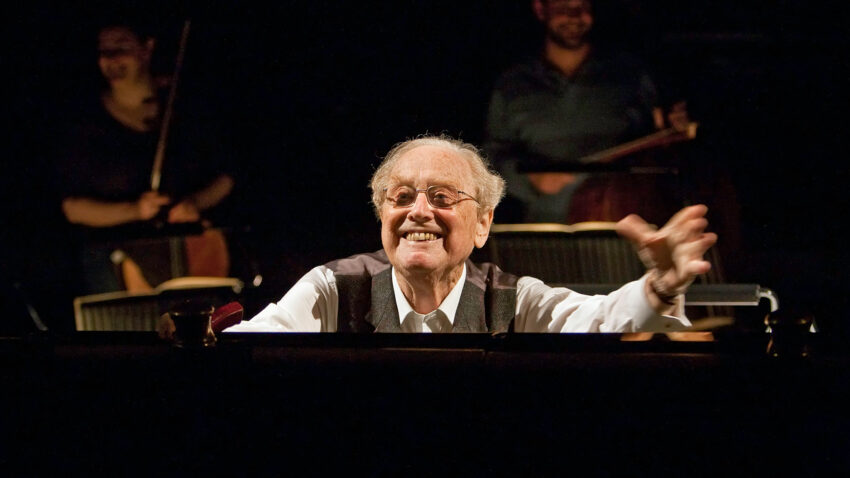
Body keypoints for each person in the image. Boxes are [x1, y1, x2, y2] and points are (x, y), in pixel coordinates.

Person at [224, 135, 716, 333]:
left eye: (442, 197)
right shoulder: (332, 289)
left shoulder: (515, 301)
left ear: (483, 224)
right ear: (382, 214)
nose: (419, 212)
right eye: (401, 196)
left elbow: (603, 321)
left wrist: (660, 286)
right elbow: (244, 350)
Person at [57, 18, 234, 294]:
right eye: (104, 50)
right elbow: (73, 208)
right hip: (115, 259)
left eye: (122, 46)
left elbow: (226, 177)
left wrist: (195, 203)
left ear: (146, 48)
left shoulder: (181, 105)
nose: (111, 57)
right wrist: (136, 210)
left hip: (191, 249)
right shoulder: (86, 123)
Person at [483, 0, 690, 225]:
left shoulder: (630, 75)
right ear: (541, 10)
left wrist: (674, 128)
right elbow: (494, 157)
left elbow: (660, 141)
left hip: (622, 221)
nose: (574, 16)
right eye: (563, 7)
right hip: (546, 227)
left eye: (582, 6)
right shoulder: (512, 84)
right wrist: (533, 180)